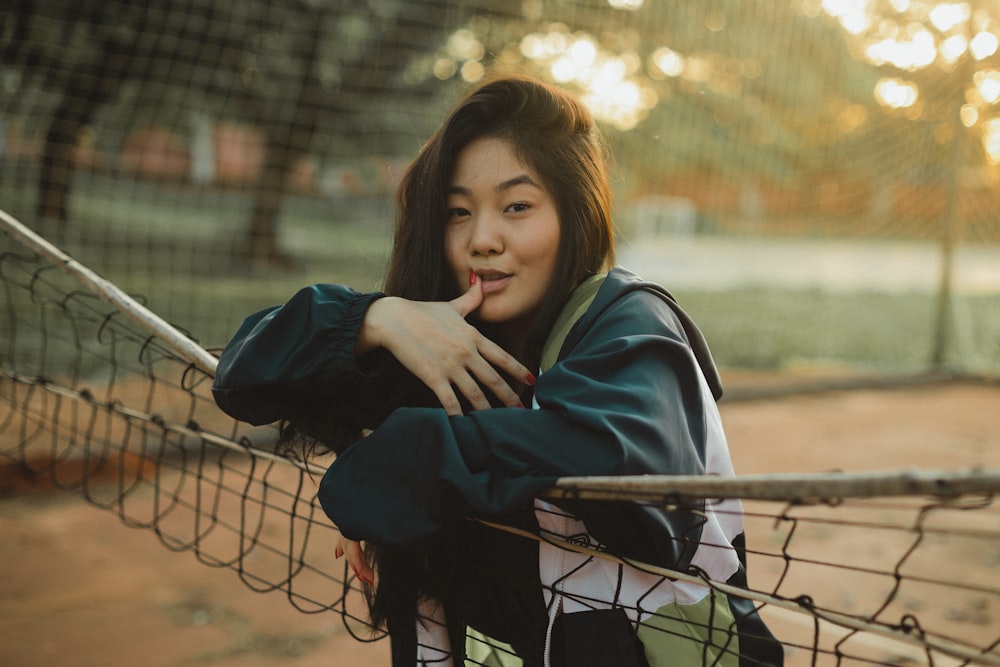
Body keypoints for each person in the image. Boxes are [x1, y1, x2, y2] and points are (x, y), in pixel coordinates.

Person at [212, 74, 783, 667]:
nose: (483, 239)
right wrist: (377, 320)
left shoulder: (628, 322)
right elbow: (242, 377)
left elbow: (615, 451)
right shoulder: (434, 337)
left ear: (573, 212)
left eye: (517, 207)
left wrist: (399, 465)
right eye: (458, 212)